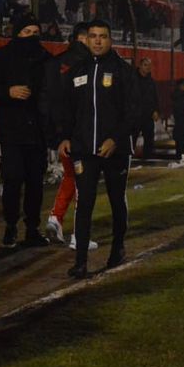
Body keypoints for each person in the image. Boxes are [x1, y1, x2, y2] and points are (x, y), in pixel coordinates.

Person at [57, 20, 138, 278]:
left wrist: (115, 139)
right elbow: (66, 110)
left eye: (103, 36)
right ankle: (80, 261)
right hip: (83, 151)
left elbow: (133, 110)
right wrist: (65, 137)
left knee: (117, 201)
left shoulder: (123, 71)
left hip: (115, 151)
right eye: (93, 36)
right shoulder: (75, 72)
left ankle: (118, 248)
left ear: (110, 40)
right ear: (86, 40)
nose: (98, 41)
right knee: (85, 204)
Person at [0, 12, 52, 248]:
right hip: (12, 130)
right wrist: (8, 91)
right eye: (27, 32)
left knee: (36, 183)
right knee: (12, 180)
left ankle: (32, 229)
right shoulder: (3, 55)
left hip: (37, 132)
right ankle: (11, 226)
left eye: (35, 32)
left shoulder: (45, 58)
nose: (32, 37)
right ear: (17, 33)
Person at [42, 23, 97, 250]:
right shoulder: (86, 63)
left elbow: (46, 101)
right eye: (91, 37)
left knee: (70, 177)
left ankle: (55, 218)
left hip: (59, 133)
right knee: (83, 183)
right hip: (79, 134)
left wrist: (54, 133)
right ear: (82, 38)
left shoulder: (55, 63)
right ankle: (79, 236)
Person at [133, 57, 159, 159]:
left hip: (148, 115)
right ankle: (129, 159)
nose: (148, 67)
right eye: (145, 65)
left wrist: (156, 110)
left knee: (149, 139)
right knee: (132, 138)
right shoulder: (132, 79)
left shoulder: (151, 81)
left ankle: (148, 159)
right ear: (139, 66)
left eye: (149, 65)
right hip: (135, 115)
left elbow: (154, 97)